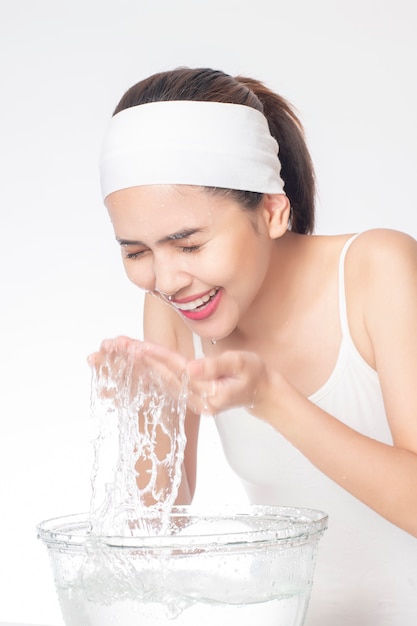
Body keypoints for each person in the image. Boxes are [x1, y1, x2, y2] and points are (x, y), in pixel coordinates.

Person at [93, 67, 417, 625]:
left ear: (272, 210)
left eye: (188, 244)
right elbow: (159, 524)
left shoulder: (375, 271)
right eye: (136, 252)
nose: (166, 280)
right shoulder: (172, 310)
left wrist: (272, 398)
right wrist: (142, 415)